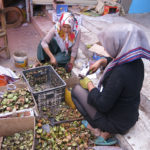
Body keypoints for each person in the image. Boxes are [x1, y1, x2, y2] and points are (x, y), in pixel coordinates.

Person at [71, 23, 150, 146]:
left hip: (116, 122)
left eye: (108, 46)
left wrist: (90, 84)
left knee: (76, 91)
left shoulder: (120, 73)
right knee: (91, 93)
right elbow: (116, 61)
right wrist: (102, 61)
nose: (106, 49)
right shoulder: (136, 62)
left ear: (120, 44)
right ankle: (105, 131)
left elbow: (102, 105)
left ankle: (98, 130)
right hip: (130, 115)